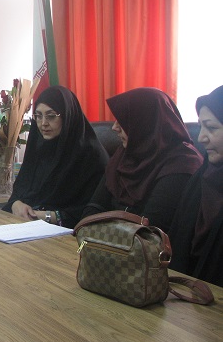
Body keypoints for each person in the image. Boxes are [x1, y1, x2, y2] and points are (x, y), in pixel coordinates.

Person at [82, 87, 203, 233]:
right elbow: (93, 208)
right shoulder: (126, 153)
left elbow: (150, 229)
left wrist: (98, 230)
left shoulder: (182, 163)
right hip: (106, 241)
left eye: (123, 120)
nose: (114, 127)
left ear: (146, 122)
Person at [2, 86, 109, 228]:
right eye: (38, 116)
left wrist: (45, 216)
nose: (43, 123)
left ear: (67, 116)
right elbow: (19, 191)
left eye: (51, 116)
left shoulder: (91, 157)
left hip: (68, 234)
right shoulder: (39, 149)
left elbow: (91, 212)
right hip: (26, 227)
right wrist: (16, 204)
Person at [169, 85, 223, 287]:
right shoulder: (202, 177)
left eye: (212, 128)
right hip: (183, 292)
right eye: (201, 127)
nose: (201, 138)